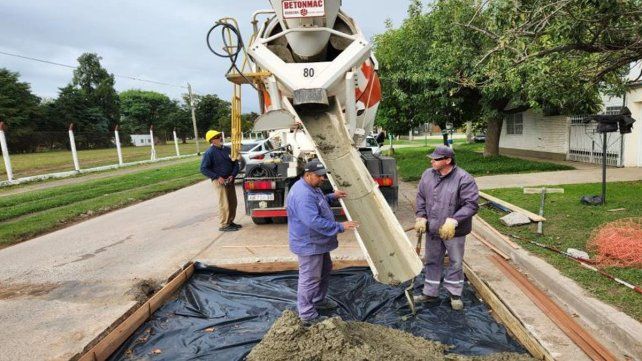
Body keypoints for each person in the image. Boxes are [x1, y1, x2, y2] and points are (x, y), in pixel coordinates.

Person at [286, 159, 359, 324]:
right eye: (319, 176)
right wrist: (340, 226)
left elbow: (318, 202)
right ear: (308, 175)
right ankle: (307, 314)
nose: (322, 178)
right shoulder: (303, 194)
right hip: (309, 243)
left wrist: (332, 197)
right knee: (310, 278)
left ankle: (318, 300)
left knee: (325, 269)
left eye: (323, 175)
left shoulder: (311, 187)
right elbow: (313, 221)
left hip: (317, 242)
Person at [413, 145, 479, 310]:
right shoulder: (427, 175)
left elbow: (471, 205)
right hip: (433, 229)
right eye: (432, 158)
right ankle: (430, 292)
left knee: (455, 262)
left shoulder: (464, 178)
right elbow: (421, 196)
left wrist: (454, 221)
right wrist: (421, 216)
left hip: (453, 231)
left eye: (436, 159)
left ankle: (454, 294)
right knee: (432, 260)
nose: (432, 161)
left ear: (448, 160)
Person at [200, 130, 241, 232]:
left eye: (219, 136)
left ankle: (230, 221)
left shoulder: (227, 149)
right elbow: (203, 168)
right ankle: (224, 224)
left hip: (229, 179)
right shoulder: (209, 153)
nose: (220, 138)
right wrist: (217, 177)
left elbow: (235, 164)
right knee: (224, 203)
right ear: (212, 140)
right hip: (219, 181)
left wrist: (233, 175)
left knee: (233, 202)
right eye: (217, 136)